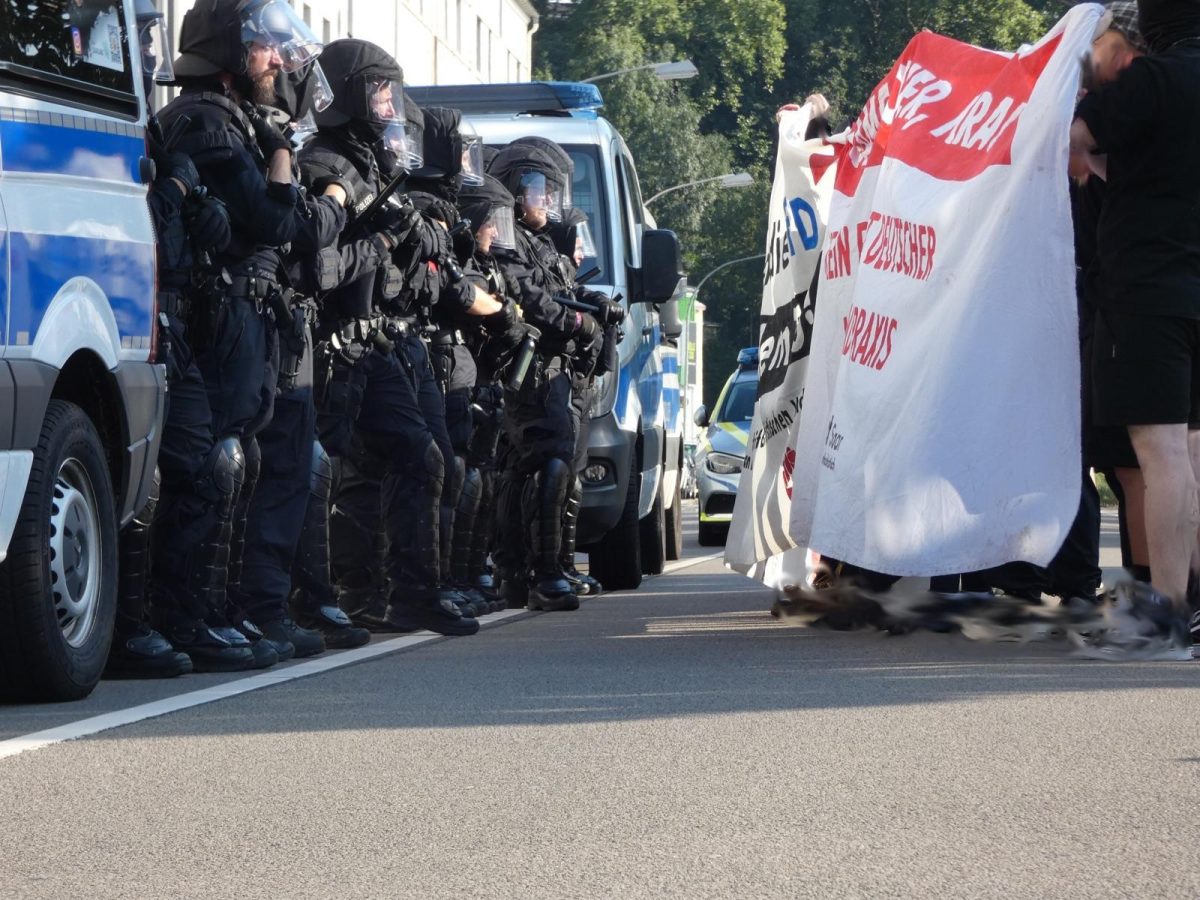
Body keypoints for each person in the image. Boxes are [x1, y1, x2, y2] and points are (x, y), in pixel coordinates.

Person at [148, 0, 346, 669]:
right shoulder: (208, 122)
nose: (274, 59)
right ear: (229, 54)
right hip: (209, 315)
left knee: (238, 464)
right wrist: (285, 150)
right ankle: (185, 616)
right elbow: (272, 219)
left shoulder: (233, 120)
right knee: (212, 465)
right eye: (261, 46)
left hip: (238, 317)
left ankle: (215, 610)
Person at [298, 38, 490, 636]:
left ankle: (415, 595)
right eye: (379, 90)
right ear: (353, 93)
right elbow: (317, 259)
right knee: (320, 473)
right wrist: (384, 234)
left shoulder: (378, 165)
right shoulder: (323, 162)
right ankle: (326, 598)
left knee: (423, 457)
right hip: (330, 344)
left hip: (373, 342)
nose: (390, 103)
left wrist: (419, 229)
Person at [1068, 0, 1200, 657]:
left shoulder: (1155, 81)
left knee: (1160, 452)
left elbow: (1078, 136)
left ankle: (1169, 611)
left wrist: (1103, 174)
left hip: (1150, 287)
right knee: (1195, 450)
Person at [487, 141, 622, 611]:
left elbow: (558, 289)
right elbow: (528, 294)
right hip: (533, 368)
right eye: (539, 189)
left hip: (555, 368)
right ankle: (540, 574)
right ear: (516, 189)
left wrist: (594, 307)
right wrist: (577, 322)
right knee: (548, 460)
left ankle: (542, 568)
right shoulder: (508, 239)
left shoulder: (540, 242)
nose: (547, 200)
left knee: (553, 462)